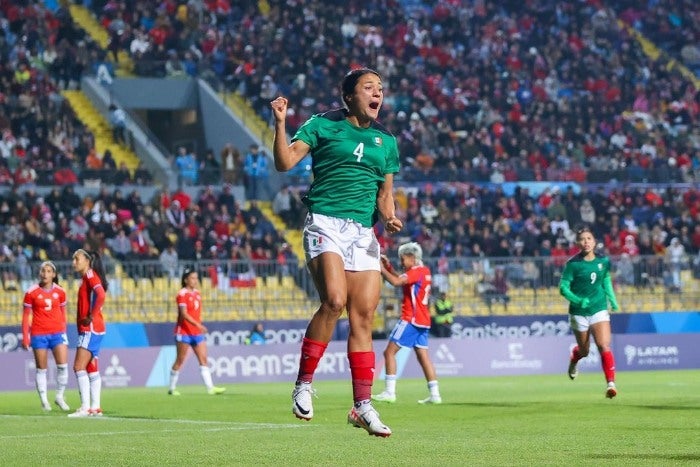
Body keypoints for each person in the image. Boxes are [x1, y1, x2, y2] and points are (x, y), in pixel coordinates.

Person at [270, 68, 403, 437]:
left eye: (380, 88)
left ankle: (362, 406)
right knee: (334, 300)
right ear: (349, 96)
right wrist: (280, 123)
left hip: (363, 232)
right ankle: (304, 384)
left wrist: (390, 217)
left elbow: (385, 193)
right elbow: (285, 162)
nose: (377, 93)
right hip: (325, 221)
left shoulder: (385, 140)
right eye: (368, 87)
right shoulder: (323, 124)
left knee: (363, 318)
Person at [372, 242, 442, 405]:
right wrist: (388, 267)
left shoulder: (415, 272)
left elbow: (396, 282)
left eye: (402, 259)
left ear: (412, 257)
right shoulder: (424, 271)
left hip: (411, 319)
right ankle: (435, 394)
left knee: (389, 352)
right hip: (423, 321)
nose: (401, 263)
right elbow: (400, 279)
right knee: (423, 357)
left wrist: (381, 269)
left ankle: (390, 392)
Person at [560, 225, 620, 399]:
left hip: (599, 308)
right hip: (579, 311)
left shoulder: (604, 261)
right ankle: (574, 358)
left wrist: (612, 299)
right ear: (578, 243)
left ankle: (611, 384)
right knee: (585, 351)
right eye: (582, 239)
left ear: (594, 242)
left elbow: (606, 279)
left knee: (603, 345)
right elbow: (563, 288)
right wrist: (578, 300)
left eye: (589, 239)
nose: (585, 242)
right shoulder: (573, 264)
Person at [167, 267, 226, 396]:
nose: (195, 280)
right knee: (180, 360)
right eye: (192, 278)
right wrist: (198, 325)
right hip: (183, 332)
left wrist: (198, 326)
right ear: (186, 280)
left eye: (196, 278)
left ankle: (210, 388)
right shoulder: (182, 294)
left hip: (196, 332)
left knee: (203, 359)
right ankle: (171, 388)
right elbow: (184, 314)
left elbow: (195, 312)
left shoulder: (197, 293)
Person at [21, 261, 71, 412]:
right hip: (39, 334)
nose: (45, 274)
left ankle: (59, 397)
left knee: (63, 366)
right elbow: (25, 317)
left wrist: (64, 331)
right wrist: (25, 337)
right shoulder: (31, 292)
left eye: (49, 271)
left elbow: (63, 314)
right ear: (39, 273)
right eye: (43, 271)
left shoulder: (61, 292)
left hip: (57, 333)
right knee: (41, 369)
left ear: (53, 274)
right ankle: (44, 401)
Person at [68, 249, 109, 417]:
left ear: (87, 260)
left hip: (90, 329)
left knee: (78, 366)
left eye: (76, 259)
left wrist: (91, 315)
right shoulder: (87, 277)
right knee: (92, 368)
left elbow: (101, 295)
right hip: (96, 328)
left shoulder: (90, 276)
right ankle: (95, 407)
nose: (74, 263)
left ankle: (85, 407)